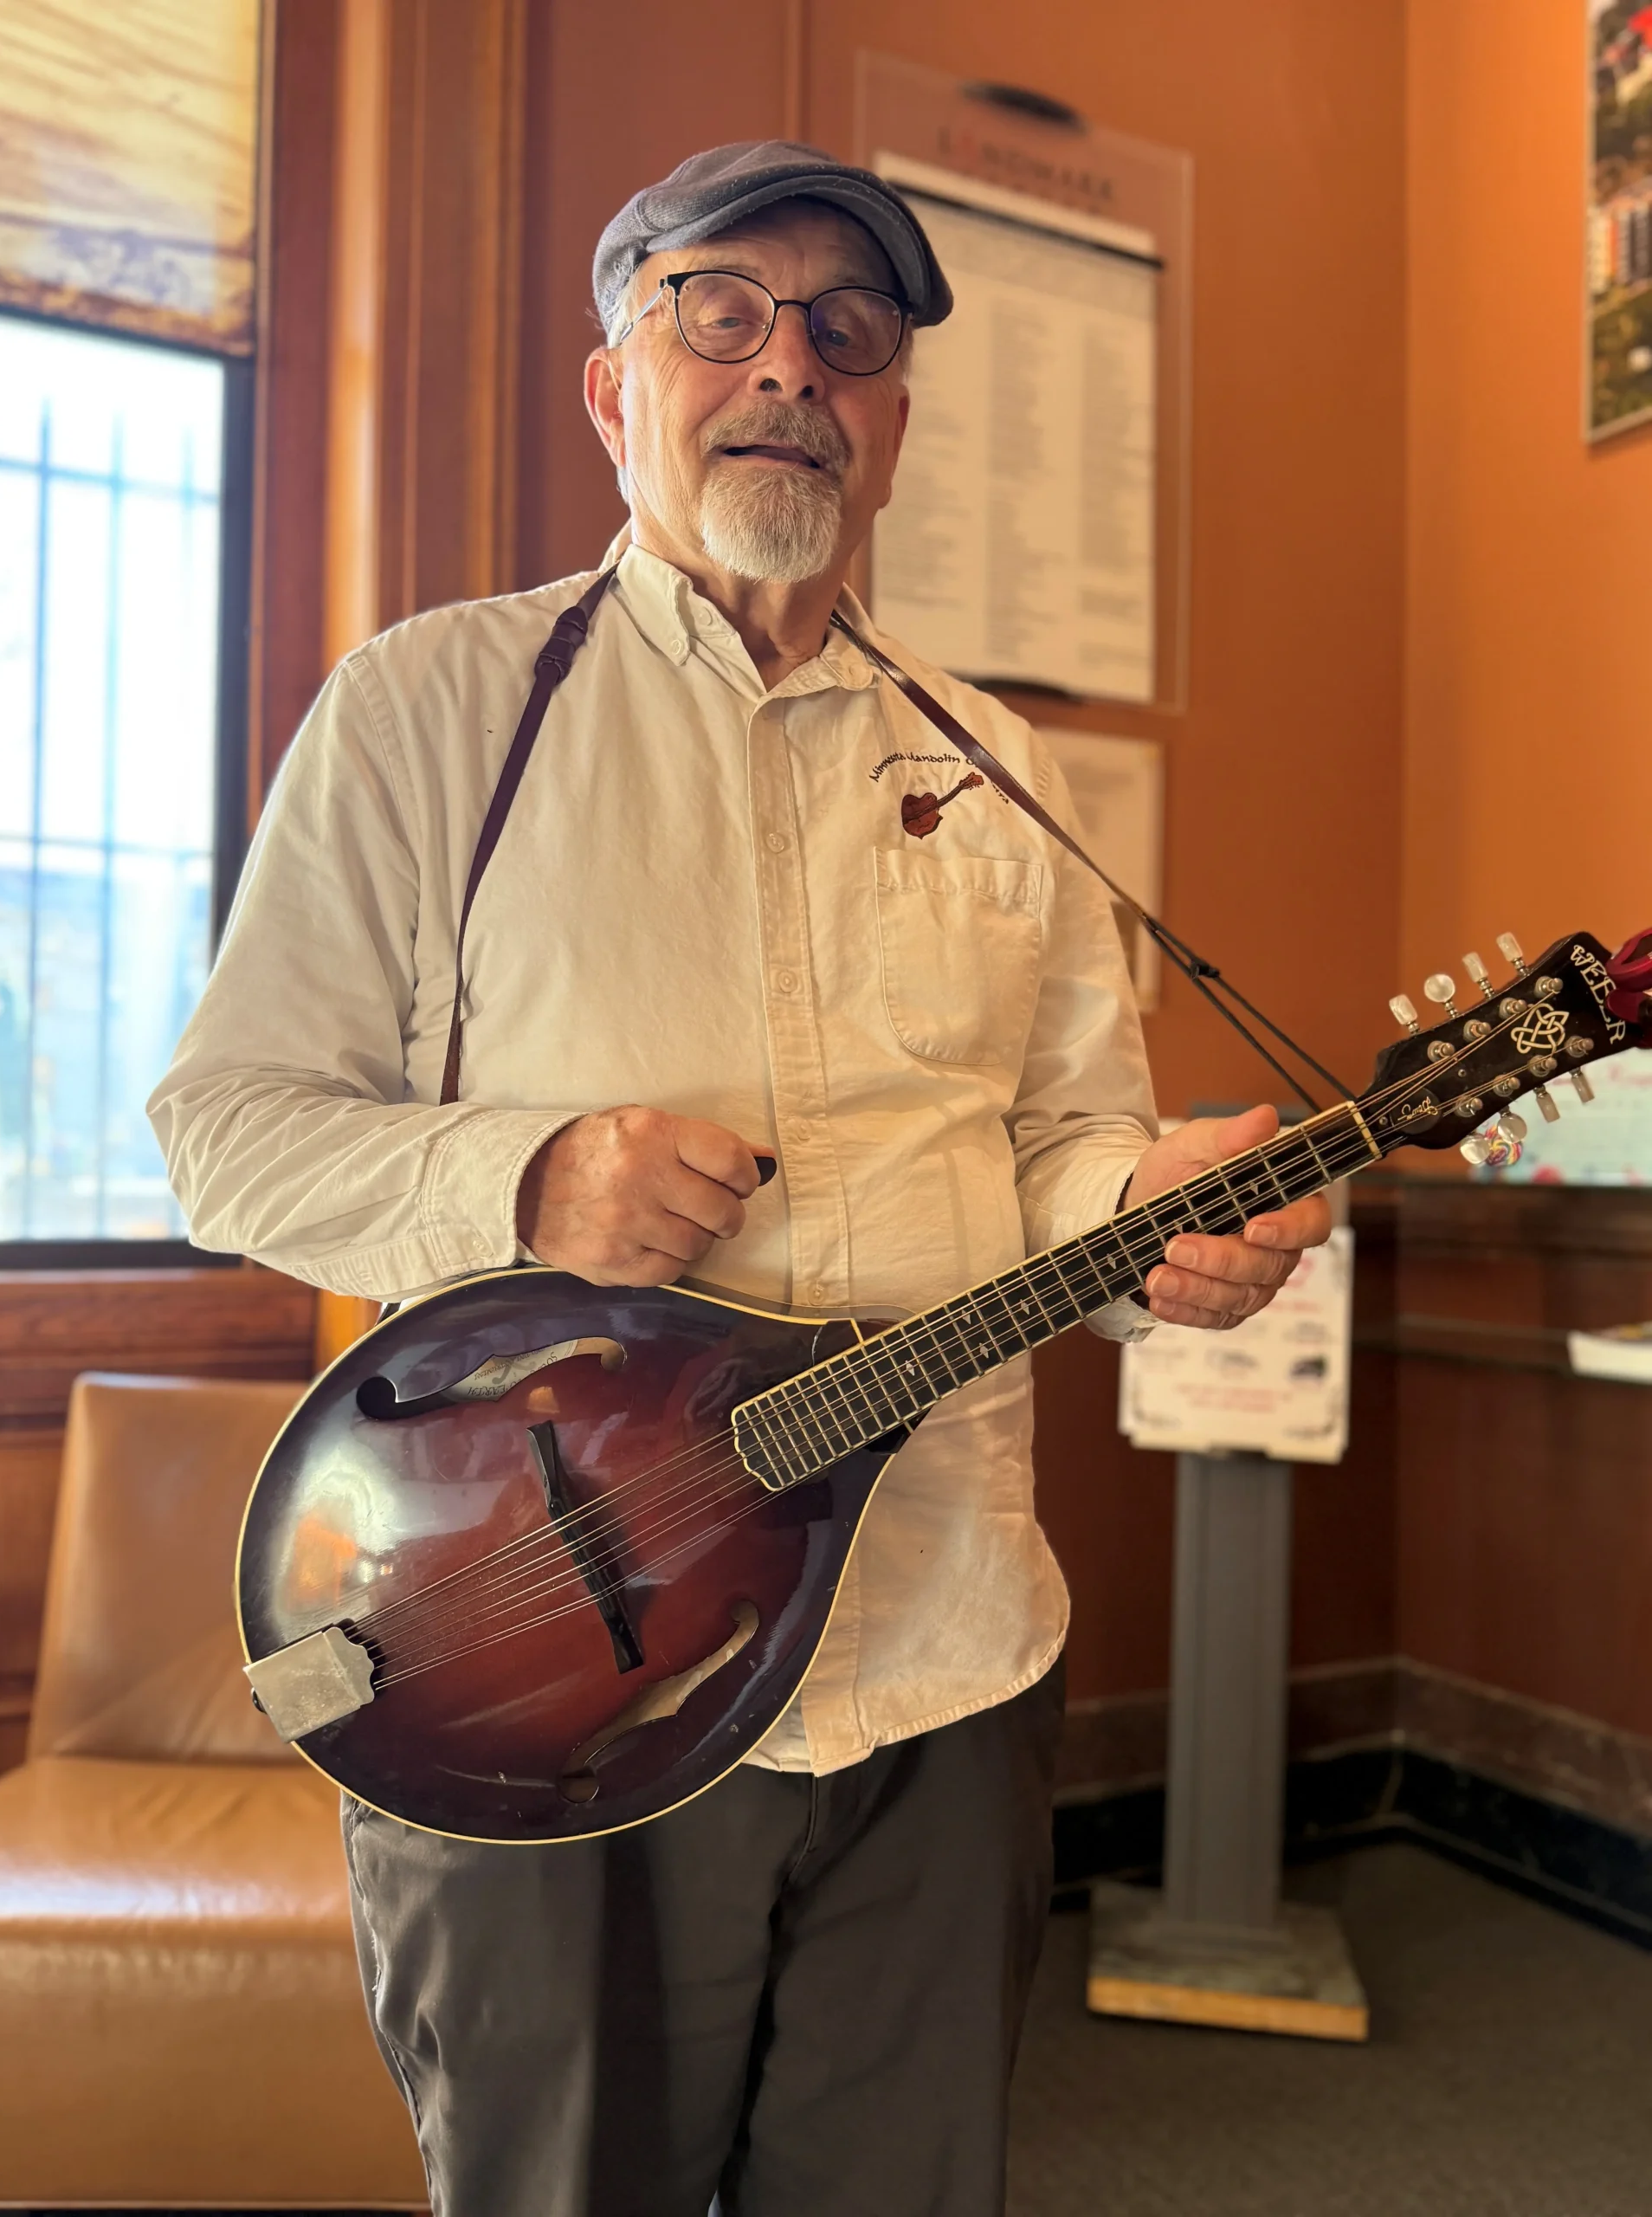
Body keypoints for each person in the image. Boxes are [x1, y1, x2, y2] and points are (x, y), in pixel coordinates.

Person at [152, 142, 1329, 2217]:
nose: (791, 362)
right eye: (723, 310)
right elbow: (224, 1129)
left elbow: (1064, 1153)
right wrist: (533, 1179)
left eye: (851, 333)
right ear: (616, 388)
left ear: (890, 420)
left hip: (948, 1646)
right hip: (533, 1679)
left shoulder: (998, 768)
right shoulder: (434, 711)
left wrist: (1171, 1221)